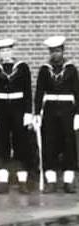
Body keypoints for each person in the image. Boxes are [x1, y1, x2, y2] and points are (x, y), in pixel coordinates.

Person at [0, 38, 35, 194]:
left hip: (18, 108)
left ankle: (22, 180)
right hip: (0, 110)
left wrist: (28, 112)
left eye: (8, 50)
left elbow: (28, 91)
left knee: (21, 143)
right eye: (2, 51)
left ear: (13, 51)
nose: (5, 53)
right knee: (1, 144)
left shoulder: (22, 68)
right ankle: (3, 180)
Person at [36, 36, 79, 194]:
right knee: (49, 145)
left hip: (68, 111)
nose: (56, 54)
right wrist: (36, 112)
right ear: (50, 53)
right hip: (50, 111)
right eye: (53, 52)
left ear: (63, 51)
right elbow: (39, 92)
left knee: (69, 145)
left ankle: (68, 181)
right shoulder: (44, 70)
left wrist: (78, 114)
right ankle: (51, 181)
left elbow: (77, 92)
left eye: (58, 51)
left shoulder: (71, 69)